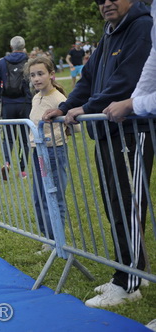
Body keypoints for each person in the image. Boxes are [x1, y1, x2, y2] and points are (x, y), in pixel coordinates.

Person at [43, 0, 153, 308]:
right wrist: (64, 106)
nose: (105, 3)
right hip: (106, 130)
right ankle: (132, 270)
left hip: (131, 128)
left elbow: (129, 80)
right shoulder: (109, 32)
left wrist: (87, 108)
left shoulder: (142, 26)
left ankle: (128, 282)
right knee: (114, 204)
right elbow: (88, 78)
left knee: (128, 205)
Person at [25, 56, 69, 247]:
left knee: (54, 195)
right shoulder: (36, 97)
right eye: (32, 75)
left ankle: (57, 240)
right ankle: (48, 239)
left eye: (40, 74)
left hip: (54, 152)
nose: (36, 78)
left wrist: (57, 135)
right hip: (38, 152)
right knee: (40, 196)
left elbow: (72, 127)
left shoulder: (59, 99)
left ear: (51, 75)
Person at [103, 0, 156, 122]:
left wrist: (131, 104)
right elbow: (152, 65)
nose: (106, 3)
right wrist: (132, 100)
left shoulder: (143, 24)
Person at [0, 35, 32, 180]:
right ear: (24, 46)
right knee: (24, 137)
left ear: (11, 47)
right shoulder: (29, 61)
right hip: (25, 103)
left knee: (8, 138)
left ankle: (7, 162)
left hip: (8, 104)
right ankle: (22, 170)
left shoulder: (2, 62)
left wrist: (3, 96)